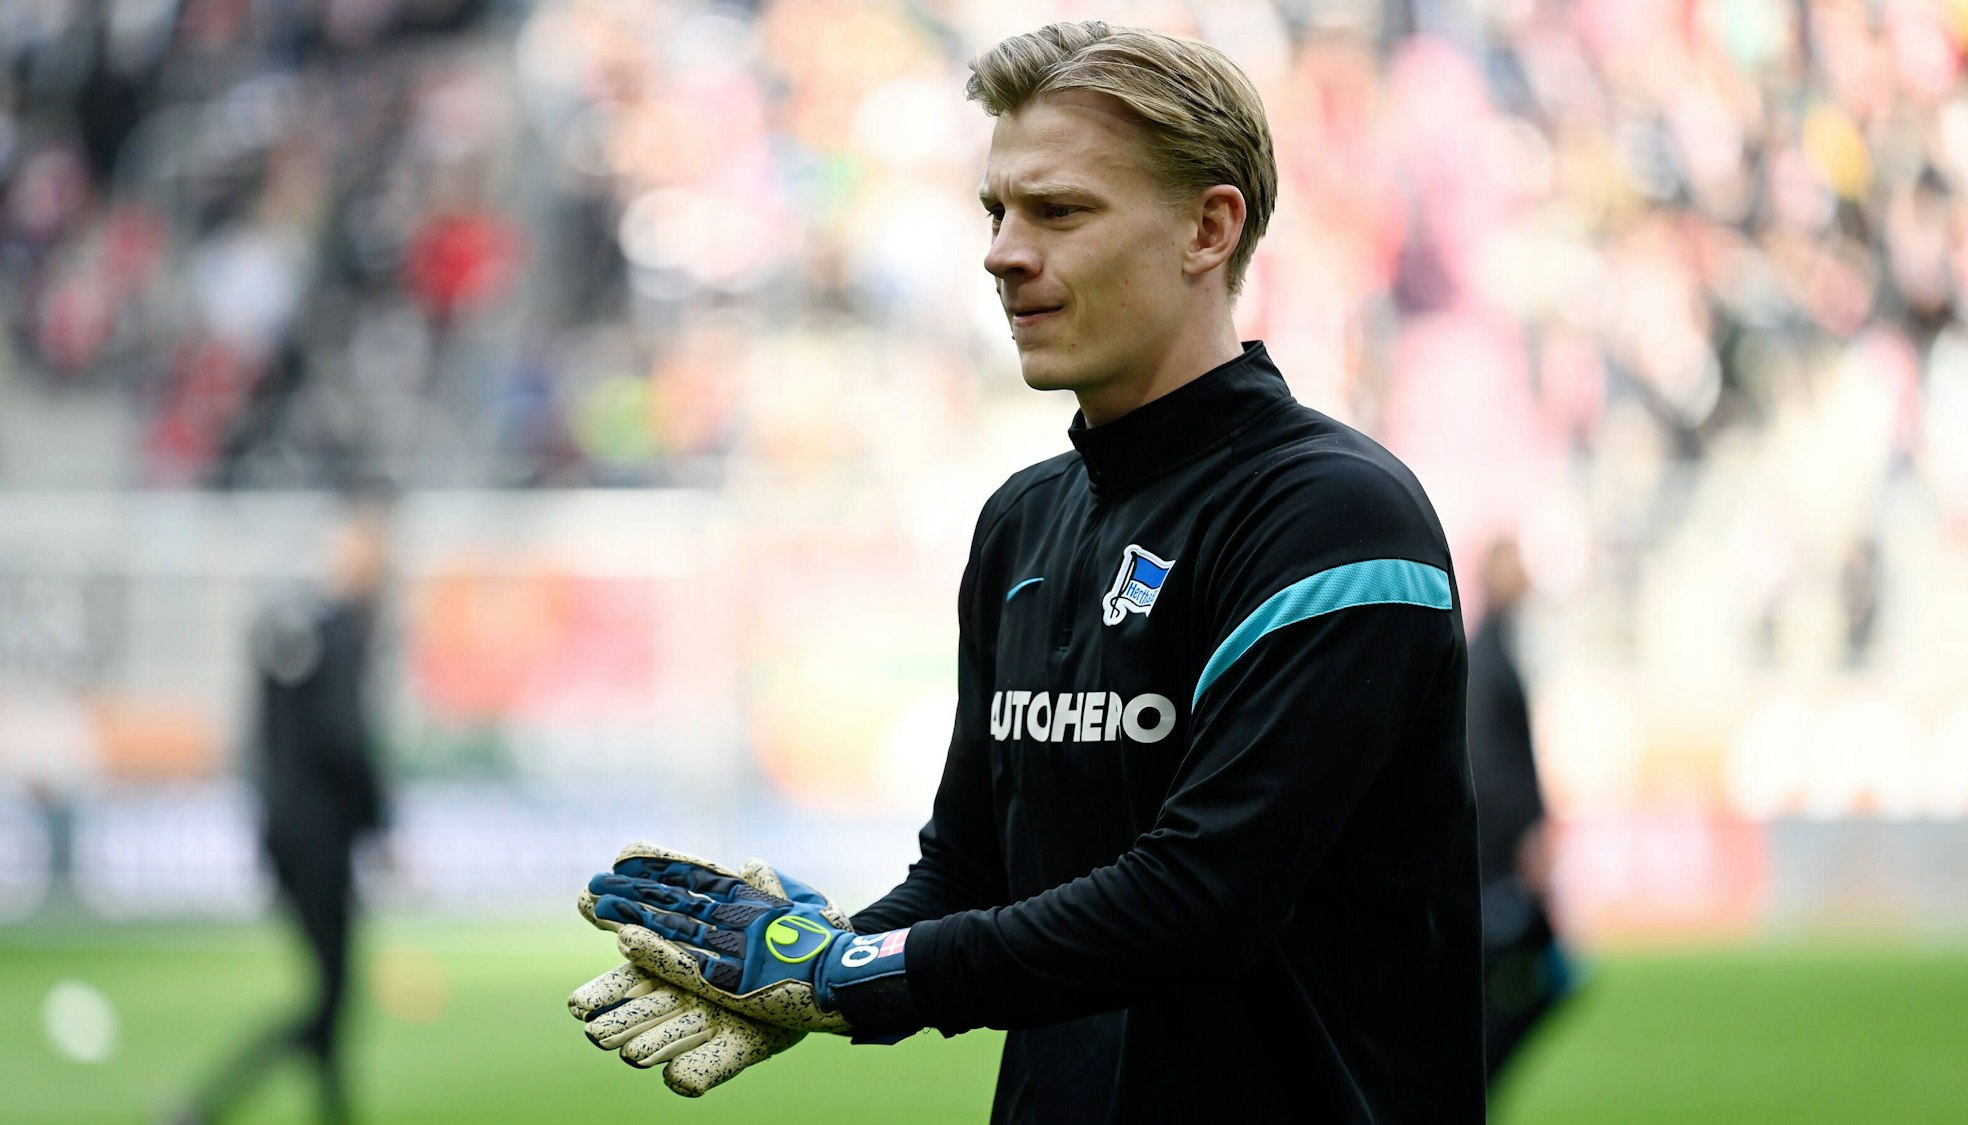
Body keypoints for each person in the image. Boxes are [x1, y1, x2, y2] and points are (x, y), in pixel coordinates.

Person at [582, 23, 1483, 1121]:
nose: (1002, 252)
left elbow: (1200, 899)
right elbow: (973, 875)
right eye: (995, 212)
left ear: (1208, 228)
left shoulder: (1333, 519)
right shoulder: (1022, 523)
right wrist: (817, 958)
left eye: (1057, 212)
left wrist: (850, 981)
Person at [170, 501, 392, 1125]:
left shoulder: (289, 630)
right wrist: (382, 821)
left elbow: (266, 732)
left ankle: (332, 1111)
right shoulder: (341, 632)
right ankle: (204, 1104)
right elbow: (345, 740)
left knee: (330, 991)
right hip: (319, 835)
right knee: (331, 996)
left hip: (280, 828)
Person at [1467, 536, 1571, 1085]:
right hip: (1500, 865)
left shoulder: (1497, 650)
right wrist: (1527, 840)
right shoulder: (1488, 657)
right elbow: (1493, 766)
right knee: (1549, 977)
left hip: (1500, 861)